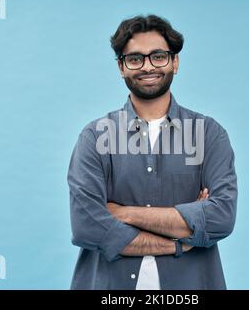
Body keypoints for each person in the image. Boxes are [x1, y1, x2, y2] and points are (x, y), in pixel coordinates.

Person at [67, 15, 238, 289]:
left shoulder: (209, 135)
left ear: (175, 62)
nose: (147, 66)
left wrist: (122, 213)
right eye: (135, 59)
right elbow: (88, 226)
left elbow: (219, 219)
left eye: (158, 56)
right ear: (121, 68)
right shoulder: (95, 137)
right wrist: (180, 242)